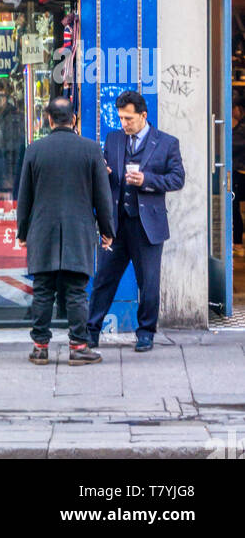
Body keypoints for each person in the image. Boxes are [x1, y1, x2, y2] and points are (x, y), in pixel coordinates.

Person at [16, 96, 115, 365]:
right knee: (76, 291)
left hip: (42, 230)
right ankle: (78, 346)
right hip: (78, 230)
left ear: (49, 119)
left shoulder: (34, 150)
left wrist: (22, 232)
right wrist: (108, 230)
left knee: (43, 289)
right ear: (74, 120)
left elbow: (24, 196)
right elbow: (102, 198)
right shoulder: (91, 149)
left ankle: (39, 347)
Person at [86, 91, 185, 352]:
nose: (124, 124)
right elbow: (108, 179)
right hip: (117, 225)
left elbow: (177, 179)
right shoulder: (114, 139)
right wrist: (104, 173)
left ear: (143, 115)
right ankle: (91, 331)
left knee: (148, 282)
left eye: (128, 118)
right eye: (120, 118)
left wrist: (148, 181)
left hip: (148, 226)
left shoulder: (166, 143)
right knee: (104, 279)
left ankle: (146, 333)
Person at [233, 94, 245, 256]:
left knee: (233, 205)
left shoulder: (242, 128)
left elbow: (232, 143)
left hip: (241, 172)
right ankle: (237, 243)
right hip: (238, 171)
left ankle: (238, 243)